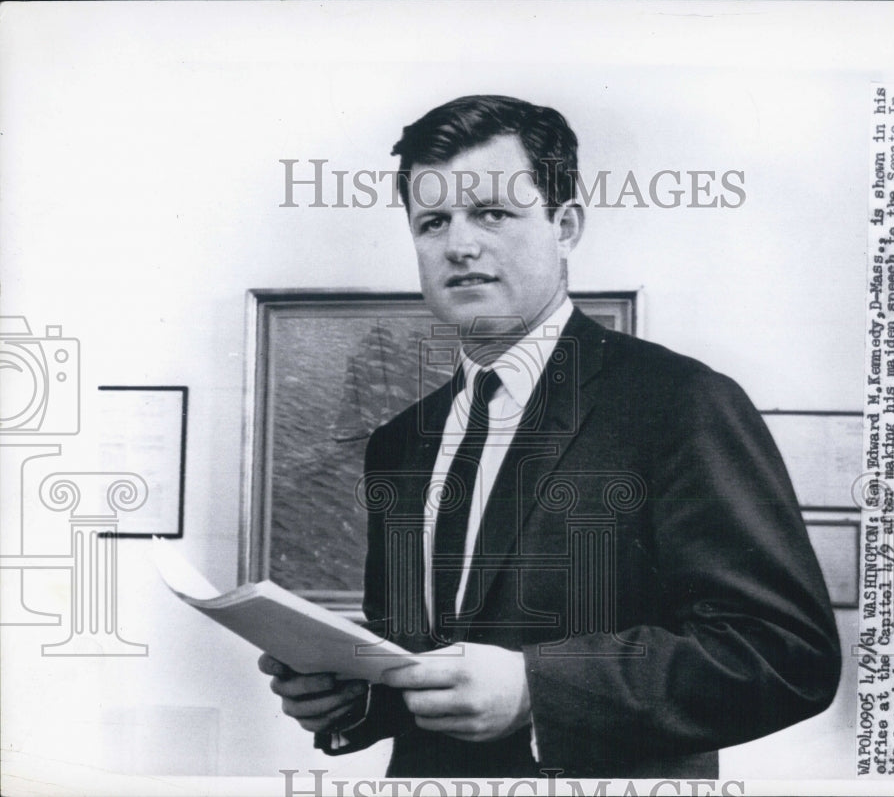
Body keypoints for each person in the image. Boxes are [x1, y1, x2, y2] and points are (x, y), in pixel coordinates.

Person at [260, 94, 841, 778]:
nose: (460, 243)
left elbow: (786, 652)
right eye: (433, 221)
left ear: (565, 225)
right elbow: (431, 657)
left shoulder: (679, 403)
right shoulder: (401, 441)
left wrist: (540, 689)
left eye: (492, 213)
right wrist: (354, 693)